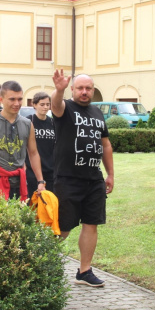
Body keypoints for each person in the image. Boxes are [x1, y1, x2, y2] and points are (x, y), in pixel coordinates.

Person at [51, 70, 114, 287]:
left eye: (88, 88)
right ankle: (42, 263)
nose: (85, 92)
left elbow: (105, 144)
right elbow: (55, 105)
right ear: (73, 89)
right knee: (63, 227)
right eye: (80, 88)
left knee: (91, 223)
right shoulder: (65, 107)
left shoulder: (97, 112)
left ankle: (84, 271)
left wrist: (110, 174)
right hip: (68, 178)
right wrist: (58, 90)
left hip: (94, 179)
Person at [25, 91, 55, 196]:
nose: (45, 107)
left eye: (47, 104)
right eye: (42, 104)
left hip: (50, 170)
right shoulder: (28, 121)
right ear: (34, 105)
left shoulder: (52, 122)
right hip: (32, 170)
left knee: (49, 202)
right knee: (33, 202)